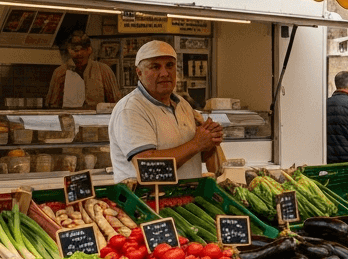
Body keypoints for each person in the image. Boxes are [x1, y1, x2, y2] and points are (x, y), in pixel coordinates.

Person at [108, 40, 223, 182]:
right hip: (147, 201)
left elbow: (195, 154)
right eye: (155, 67)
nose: (164, 73)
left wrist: (209, 139)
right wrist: (196, 144)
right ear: (139, 73)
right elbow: (148, 168)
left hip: (184, 199)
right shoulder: (131, 109)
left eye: (170, 65)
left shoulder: (183, 105)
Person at [45, 30, 118, 110]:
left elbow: (116, 103)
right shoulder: (60, 73)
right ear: (69, 50)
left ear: (89, 50)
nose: (79, 53)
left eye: (83, 49)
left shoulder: (103, 71)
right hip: (69, 119)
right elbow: (52, 106)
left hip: (97, 120)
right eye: (75, 50)